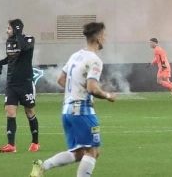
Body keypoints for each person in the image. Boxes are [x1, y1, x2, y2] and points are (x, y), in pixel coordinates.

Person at [30, 22, 116, 177]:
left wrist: (77, 91)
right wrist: (108, 96)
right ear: (97, 37)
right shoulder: (95, 60)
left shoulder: (75, 55)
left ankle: (42, 166)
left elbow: (61, 79)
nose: (105, 38)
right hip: (82, 111)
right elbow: (92, 88)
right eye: (104, 35)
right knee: (92, 151)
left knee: (79, 153)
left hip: (67, 111)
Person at [0, 19, 39, 153]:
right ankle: (11, 145)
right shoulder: (9, 42)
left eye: (9, 28)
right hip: (11, 84)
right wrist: (1, 63)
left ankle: (35, 142)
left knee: (30, 112)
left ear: (16, 29)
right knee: (10, 111)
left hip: (25, 83)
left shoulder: (29, 39)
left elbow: (25, 48)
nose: (6, 31)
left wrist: (18, 34)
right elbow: (11, 57)